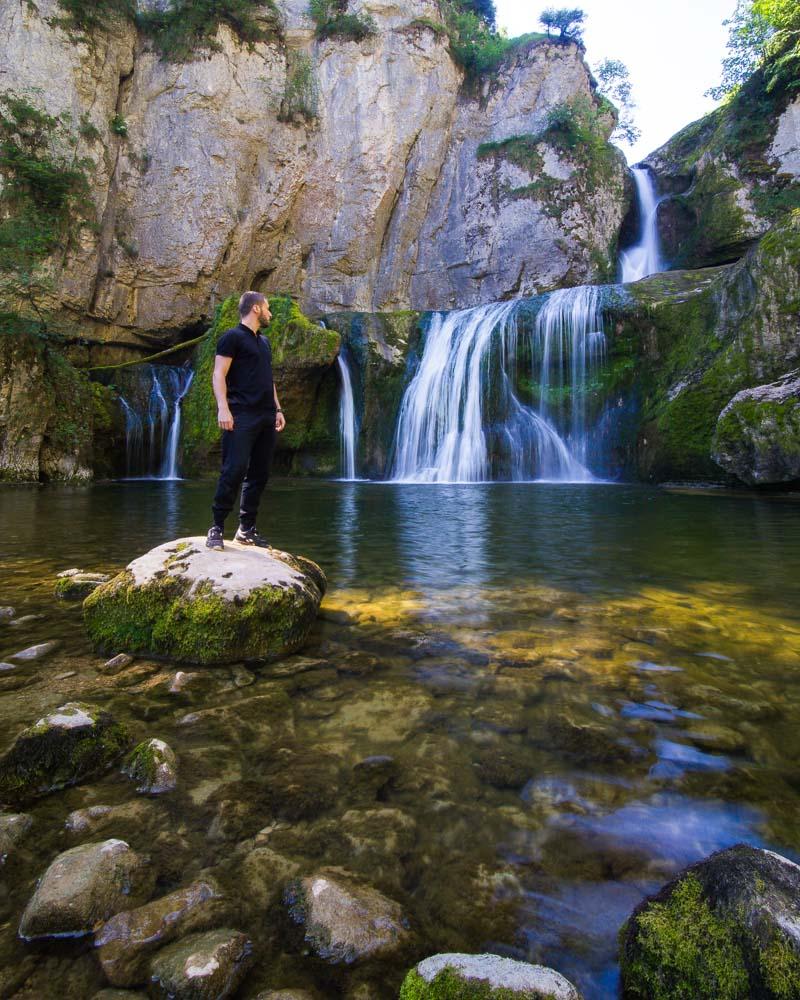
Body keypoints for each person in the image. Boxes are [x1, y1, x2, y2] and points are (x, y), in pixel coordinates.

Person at [206, 291, 285, 550]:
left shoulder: (264, 342)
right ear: (255, 309)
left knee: (259, 474)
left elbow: (268, 378)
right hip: (241, 414)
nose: (270, 313)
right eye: (268, 308)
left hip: (266, 416)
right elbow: (219, 374)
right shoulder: (232, 337)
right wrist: (223, 408)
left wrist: (278, 409)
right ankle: (217, 527)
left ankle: (246, 529)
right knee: (234, 469)